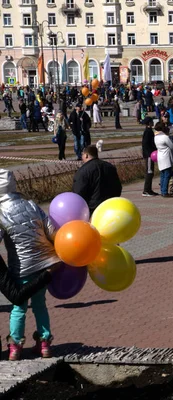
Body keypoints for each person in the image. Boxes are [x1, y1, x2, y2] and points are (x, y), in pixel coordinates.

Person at [0, 170, 61, 360]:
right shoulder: (31, 205)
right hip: (44, 264)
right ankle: (44, 344)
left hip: (21, 267)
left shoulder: (1, 211)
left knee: (19, 307)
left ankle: (15, 346)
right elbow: (51, 230)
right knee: (40, 304)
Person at [72, 146, 123, 214]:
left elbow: (78, 193)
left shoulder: (83, 171)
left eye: (82, 154)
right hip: (111, 207)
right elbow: (118, 187)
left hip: (93, 209)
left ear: (86, 155)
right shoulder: (110, 167)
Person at [153, 121, 173, 197]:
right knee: (167, 175)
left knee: (162, 175)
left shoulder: (156, 137)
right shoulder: (165, 137)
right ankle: (165, 192)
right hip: (166, 157)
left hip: (160, 156)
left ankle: (162, 190)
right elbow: (172, 146)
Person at [141, 117, 159, 196]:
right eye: (151, 121)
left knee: (151, 172)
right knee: (149, 171)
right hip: (149, 155)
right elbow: (146, 144)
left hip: (151, 154)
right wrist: (149, 153)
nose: (153, 123)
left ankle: (149, 189)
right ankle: (146, 190)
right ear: (149, 123)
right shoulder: (148, 132)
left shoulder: (150, 131)